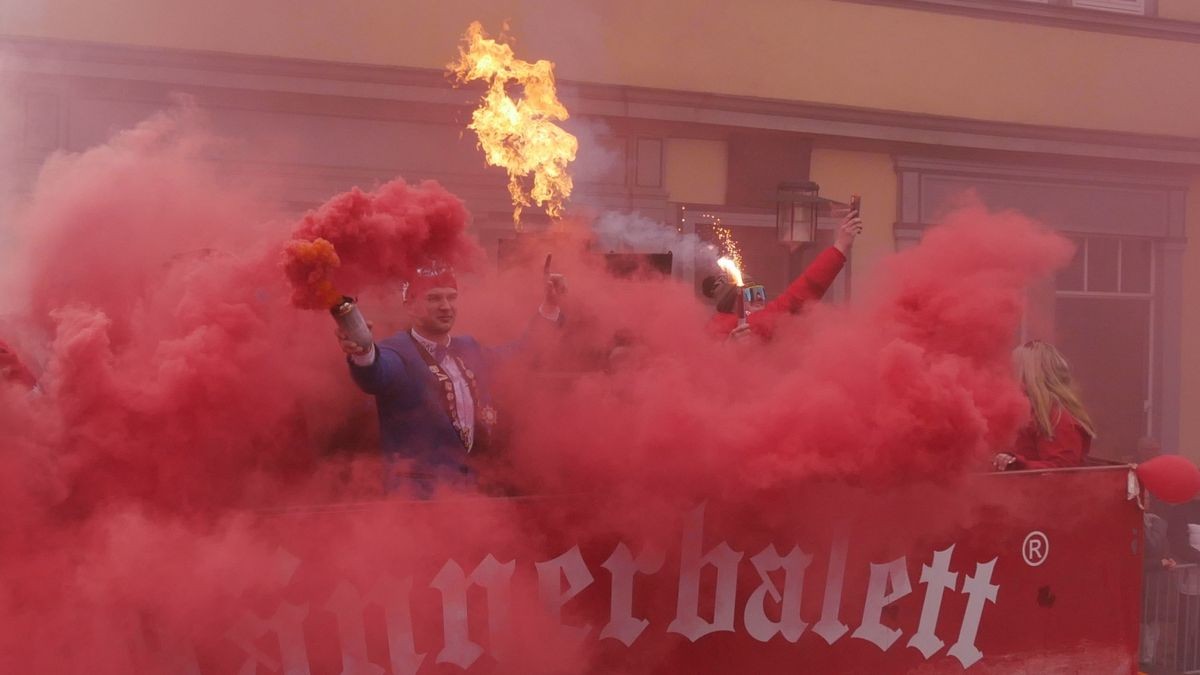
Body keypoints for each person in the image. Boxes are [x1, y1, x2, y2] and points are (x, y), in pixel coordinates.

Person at [336, 263, 566, 496]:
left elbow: (521, 355)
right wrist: (363, 351)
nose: (445, 307)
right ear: (410, 306)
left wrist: (549, 306)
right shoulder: (396, 351)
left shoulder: (469, 348)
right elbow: (375, 373)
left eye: (451, 297)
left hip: (472, 496)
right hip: (417, 503)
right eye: (434, 298)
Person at [702, 209, 862, 342]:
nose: (759, 298)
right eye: (751, 294)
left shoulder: (756, 331)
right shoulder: (745, 327)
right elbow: (798, 296)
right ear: (733, 305)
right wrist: (840, 246)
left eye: (760, 291)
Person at [994, 340, 1096, 471]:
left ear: (1028, 376)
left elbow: (1063, 471)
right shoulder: (1033, 413)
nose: (1005, 376)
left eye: (1012, 370)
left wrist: (1019, 465)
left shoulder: (1058, 418)